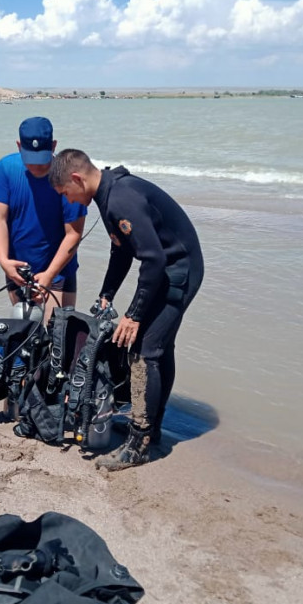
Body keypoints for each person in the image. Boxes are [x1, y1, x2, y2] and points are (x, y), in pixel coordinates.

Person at [49, 149, 204, 470]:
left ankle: (139, 443)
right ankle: (152, 428)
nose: (70, 201)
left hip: (180, 269)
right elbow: (121, 252)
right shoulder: (105, 196)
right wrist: (107, 294)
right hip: (166, 266)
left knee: (144, 351)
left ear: (77, 178)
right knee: (158, 348)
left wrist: (133, 315)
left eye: (66, 192)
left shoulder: (120, 198)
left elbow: (153, 259)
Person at [0, 117, 86, 323]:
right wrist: (3, 261)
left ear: (53, 146)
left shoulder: (70, 176)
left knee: (59, 340)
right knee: (23, 338)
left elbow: (74, 233)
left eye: (42, 159)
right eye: (29, 159)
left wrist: (50, 274)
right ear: (18, 146)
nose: (36, 167)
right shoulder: (5, 169)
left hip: (59, 270)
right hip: (18, 269)